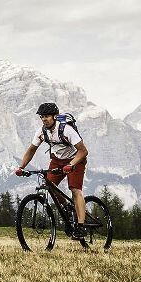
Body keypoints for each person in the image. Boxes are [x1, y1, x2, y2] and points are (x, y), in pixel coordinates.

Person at [15, 102, 89, 238]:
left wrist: (71, 164)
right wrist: (21, 167)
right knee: (50, 184)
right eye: (42, 116)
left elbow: (83, 151)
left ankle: (81, 225)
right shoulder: (42, 132)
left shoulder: (66, 130)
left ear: (55, 116)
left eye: (47, 116)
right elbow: (31, 150)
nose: (44, 119)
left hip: (76, 159)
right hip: (57, 160)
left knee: (75, 189)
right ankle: (67, 206)